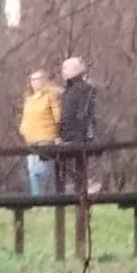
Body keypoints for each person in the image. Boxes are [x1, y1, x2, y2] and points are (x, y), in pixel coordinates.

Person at [57, 56, 99, 195]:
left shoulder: (81, 91)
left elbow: (74, 116)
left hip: (79, 136)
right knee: (69, 166)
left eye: (64, 68)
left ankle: (80, 191)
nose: (62, 72)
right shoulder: (74, 90)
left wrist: (64, 135)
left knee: (77, 166)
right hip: (75, 136)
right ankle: (77, 191)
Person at [18, 70, 61, 197]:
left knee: (44, 170)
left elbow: (58, 117)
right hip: (30, 140)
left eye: (37, 79)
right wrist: (23, 129)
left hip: (46, 138)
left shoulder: (51, 96)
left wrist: (58, 135)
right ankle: (37, 199)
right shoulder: (29, 99)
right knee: (33, 171)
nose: (34, 83)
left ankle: (50, 198)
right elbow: (26, 117)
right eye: (32, 80)